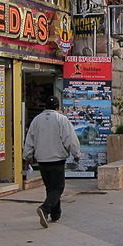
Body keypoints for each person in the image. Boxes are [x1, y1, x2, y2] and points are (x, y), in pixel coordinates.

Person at [23, 96, 81, 228]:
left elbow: (29, 140)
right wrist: (76, 154)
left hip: (42, 160)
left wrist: (27, 156)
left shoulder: (36, 120)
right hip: (57, 159)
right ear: (57, 107)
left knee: (50, 188)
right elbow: (70, 139)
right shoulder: (62, 119)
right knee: (58, 188)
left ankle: (56, 214)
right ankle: (45, 209)